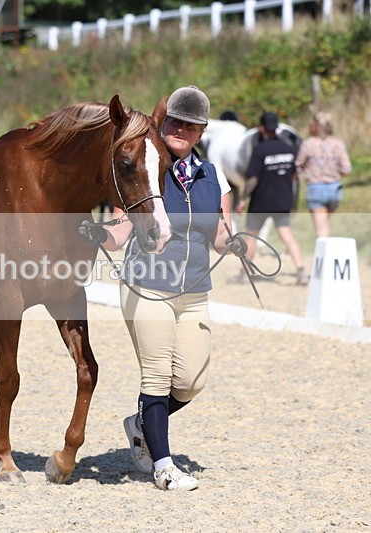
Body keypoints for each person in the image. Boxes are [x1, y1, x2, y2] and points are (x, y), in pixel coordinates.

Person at [95, 86, 246, 491]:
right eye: (174, 122)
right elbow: (121, 230)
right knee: (158, 377)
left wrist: (234, 241)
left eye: (190, 126)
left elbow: (218, 236)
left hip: (195, 290)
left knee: (192, 381)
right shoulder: (148, 165)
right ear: (164, 124)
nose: (180, 129)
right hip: (148, 285)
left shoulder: (214, 178)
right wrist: (95, 234)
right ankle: (163, 466)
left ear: (201, 132)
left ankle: (140, 423)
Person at [236, 112, 307, 286]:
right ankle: (301, 271)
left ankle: (244, 274)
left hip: (261, 201)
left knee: (251, 236)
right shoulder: (289, 149)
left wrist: (243, 199)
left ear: (261, 128)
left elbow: (253, 179)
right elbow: (292, 176)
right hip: (282, 201)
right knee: (287, 235)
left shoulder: (260, 150)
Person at [294, 111, 352, 238]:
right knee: (324, 225)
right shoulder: (338, 143)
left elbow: (297, 167)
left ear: (316, 126)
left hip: (315, 189)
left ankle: (323, 256)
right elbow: (347, 169)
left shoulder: (309, 143)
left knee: (321, 230)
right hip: (335, 190)